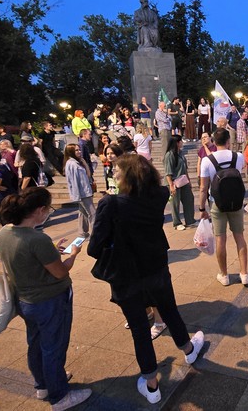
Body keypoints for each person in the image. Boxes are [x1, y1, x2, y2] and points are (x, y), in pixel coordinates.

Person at [88, 155, 204, 404]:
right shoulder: (157, 195)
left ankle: (152, 386)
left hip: (126, 275)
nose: (114, 175)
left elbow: (94, 248)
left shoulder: (111, 204)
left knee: (140, 329)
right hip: (156, 267)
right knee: (169, 310)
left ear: (128, 175)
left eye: (117, 172)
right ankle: (188, 349)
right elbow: (159, 187)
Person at [0, 187, 92, 409]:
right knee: (54, 348)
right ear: (39, 210)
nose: (49, 212)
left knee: (36, 343)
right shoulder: (37, 238)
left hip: (25, 300)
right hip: (49, 300)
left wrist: (51, 252)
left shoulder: (4, 233)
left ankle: (43, 385)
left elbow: (28, 260)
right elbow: (60, 271)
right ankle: (59, 396)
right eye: (48, 208)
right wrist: (73, 255)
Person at [199, 128, 248, 287]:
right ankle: (244, 274)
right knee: (239, 237)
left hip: (217, 204)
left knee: (220, 239)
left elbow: (202, 187)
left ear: (213, 141)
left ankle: (224, 275)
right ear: (228, 141)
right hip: (236, 203)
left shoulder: (207, 160)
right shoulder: (238, 156)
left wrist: (202, 208)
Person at [163, 135, 195, 231]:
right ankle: (177, 223)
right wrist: (171, 185)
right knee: (175, 203)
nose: (182, 143)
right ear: (177, 143)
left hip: (183, 180)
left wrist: (189, 181)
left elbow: (185, 169)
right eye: (181, 141)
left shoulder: (180, 153)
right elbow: (168, 172)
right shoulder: (169, 155)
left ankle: (190, 220)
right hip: (174, 182)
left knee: (189, 199)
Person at [64, 144, 95, 238]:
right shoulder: (72, 164)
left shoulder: (78, 162)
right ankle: (95, 235)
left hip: (86, 191)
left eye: (79, 150)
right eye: (76, 150)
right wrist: (77, 196)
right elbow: (73, 181)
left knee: (83, 213)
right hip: (82, 193)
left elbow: (88, 175)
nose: (79, 152)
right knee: (93, 214)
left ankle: (82, 233)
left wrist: (84, 163)